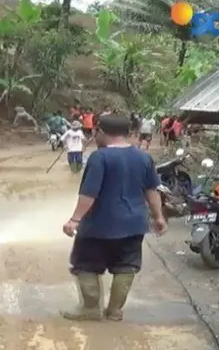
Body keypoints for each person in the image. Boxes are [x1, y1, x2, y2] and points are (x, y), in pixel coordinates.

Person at [60, 114, 166, 322]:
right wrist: (159, 217)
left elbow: (89, 193)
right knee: (126, 266)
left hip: (98, 225)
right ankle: (114, 311)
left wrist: (74, 219)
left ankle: (90, 309)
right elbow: (152, 191)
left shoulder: (99, 157)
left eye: (97, 131)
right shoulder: (143, 157)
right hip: (134, 224)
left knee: (86, 265)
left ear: (101, 131)